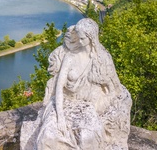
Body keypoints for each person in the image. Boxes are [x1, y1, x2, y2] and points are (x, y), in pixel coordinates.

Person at [35, 18, 131, 150]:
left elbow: (115, 87)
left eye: (82, 39)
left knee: (87, 137)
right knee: (48, 136)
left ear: (91, 38)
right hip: (64, 103)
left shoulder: (102, 59)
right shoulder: (70, 57)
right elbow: (59, 86)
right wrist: (60, 116)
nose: (79, 42)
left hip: (87, 107)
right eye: (78, 38)